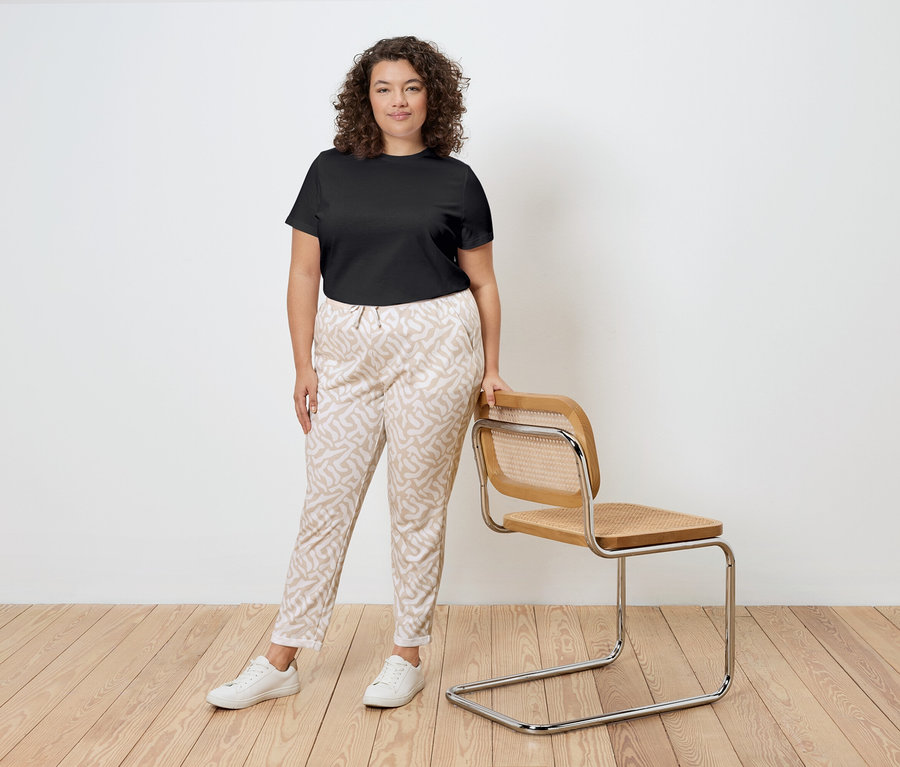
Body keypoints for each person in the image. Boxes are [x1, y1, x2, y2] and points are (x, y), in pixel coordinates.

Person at [206, 36, 508, 711]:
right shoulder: (328, 170)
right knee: (326, 504)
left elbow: (484, 284)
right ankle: (281, 656)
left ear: (433, 96)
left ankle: (407, 653)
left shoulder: (456, 181)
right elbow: (303, 272)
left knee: (417, 504)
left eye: (410, 87)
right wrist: (303, 362)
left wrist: (490, 368)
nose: (397, 100)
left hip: (435, 344)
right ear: (364, 98)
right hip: (344, 347)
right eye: (384, 88)